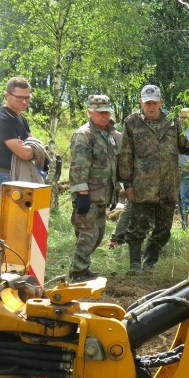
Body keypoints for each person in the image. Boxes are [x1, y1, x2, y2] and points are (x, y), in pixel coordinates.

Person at [118, 84, 189, 273]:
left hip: (167, 186)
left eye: (154, 102)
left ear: (161, 102)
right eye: (147, 102)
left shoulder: (172, 122)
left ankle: (149, 263)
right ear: (141, 102)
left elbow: (184, 145)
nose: (150, 106)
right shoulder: (131, 122)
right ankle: (134, 266)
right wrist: (127, 184)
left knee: (163, 230)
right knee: (137, 228)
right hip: (142, 186)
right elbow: (125, 154)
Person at [67, 95, 119, 282]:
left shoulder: (109, 135)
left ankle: (83, 268)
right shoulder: (85, 134)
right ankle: (78, 272)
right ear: (90, 112)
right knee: (88, 235)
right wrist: (82, 194)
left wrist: (114, 193)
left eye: (107, 112)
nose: (105, 116)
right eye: (100, 113)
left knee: (98, 236)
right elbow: (78, 167)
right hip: (87, 195)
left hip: (102, 195)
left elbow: (112, 166)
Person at [0, 76, 34, 241]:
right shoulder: (1, 119)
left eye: (27, 97)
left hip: (18, 175)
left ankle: (7, 263)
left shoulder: (21, 119)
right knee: (1, 226)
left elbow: (32, 144)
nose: (24, 101)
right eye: (19, 97)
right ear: (7, 96)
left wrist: (29, 147)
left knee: (17, 226)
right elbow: (26, 153)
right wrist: (31, 149)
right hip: (4, 177)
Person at [108, 119, 133, 249]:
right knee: (129, 209)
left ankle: (117, 238)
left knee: (129, 210)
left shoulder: (118, 137)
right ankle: (117, 238)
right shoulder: (119, 137)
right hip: (131, 178)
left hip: (123, 178)